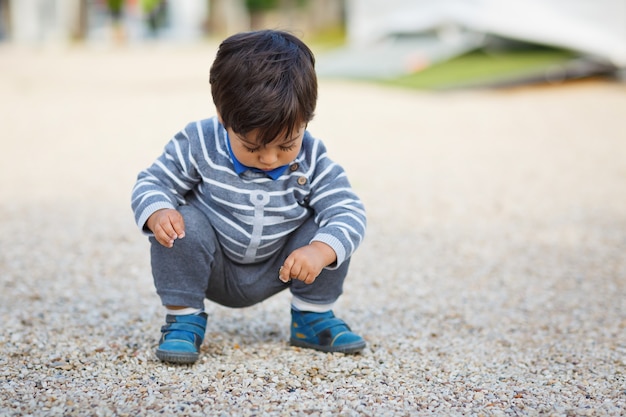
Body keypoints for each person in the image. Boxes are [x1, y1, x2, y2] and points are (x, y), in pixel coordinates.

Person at [131, 30, 367, 364]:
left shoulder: (311, 157)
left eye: (286, 145)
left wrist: (320, 251)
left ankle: (312, 317)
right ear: (223, 118)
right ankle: (183, 319)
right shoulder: (199, 142)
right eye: (253, 147)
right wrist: (158, 212)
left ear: (306, 120)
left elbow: (349, 209)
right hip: (213, 264)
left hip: (282, 265)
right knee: (183, 222)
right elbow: (151, 182)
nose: (270, 158)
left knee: (328, 228)